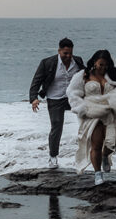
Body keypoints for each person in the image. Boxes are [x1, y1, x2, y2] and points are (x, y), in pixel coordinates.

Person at [66, 49, 116, 185]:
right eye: (100, 65)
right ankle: (98, 174)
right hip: (92, 113)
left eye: (106, 65)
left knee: (112, 143)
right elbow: (72, 93)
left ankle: (105, 156)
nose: (103, 68)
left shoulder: (113, 76)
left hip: (110, 112)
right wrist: (81, 108)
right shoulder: (83, 75)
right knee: (96, 144)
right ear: (95, 62)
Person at [29, 38, 84, 168]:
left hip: (73, 97)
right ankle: (53, 157)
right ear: (59, 51)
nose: (68, 56)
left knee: (90, 118)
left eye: (70, 53)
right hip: (55, 98)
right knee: (57, 125)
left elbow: (87, 76)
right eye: (65, 53)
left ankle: (90, 153)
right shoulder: (47, 63)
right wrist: (34, 98)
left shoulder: (78, 61)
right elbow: (36, 81)